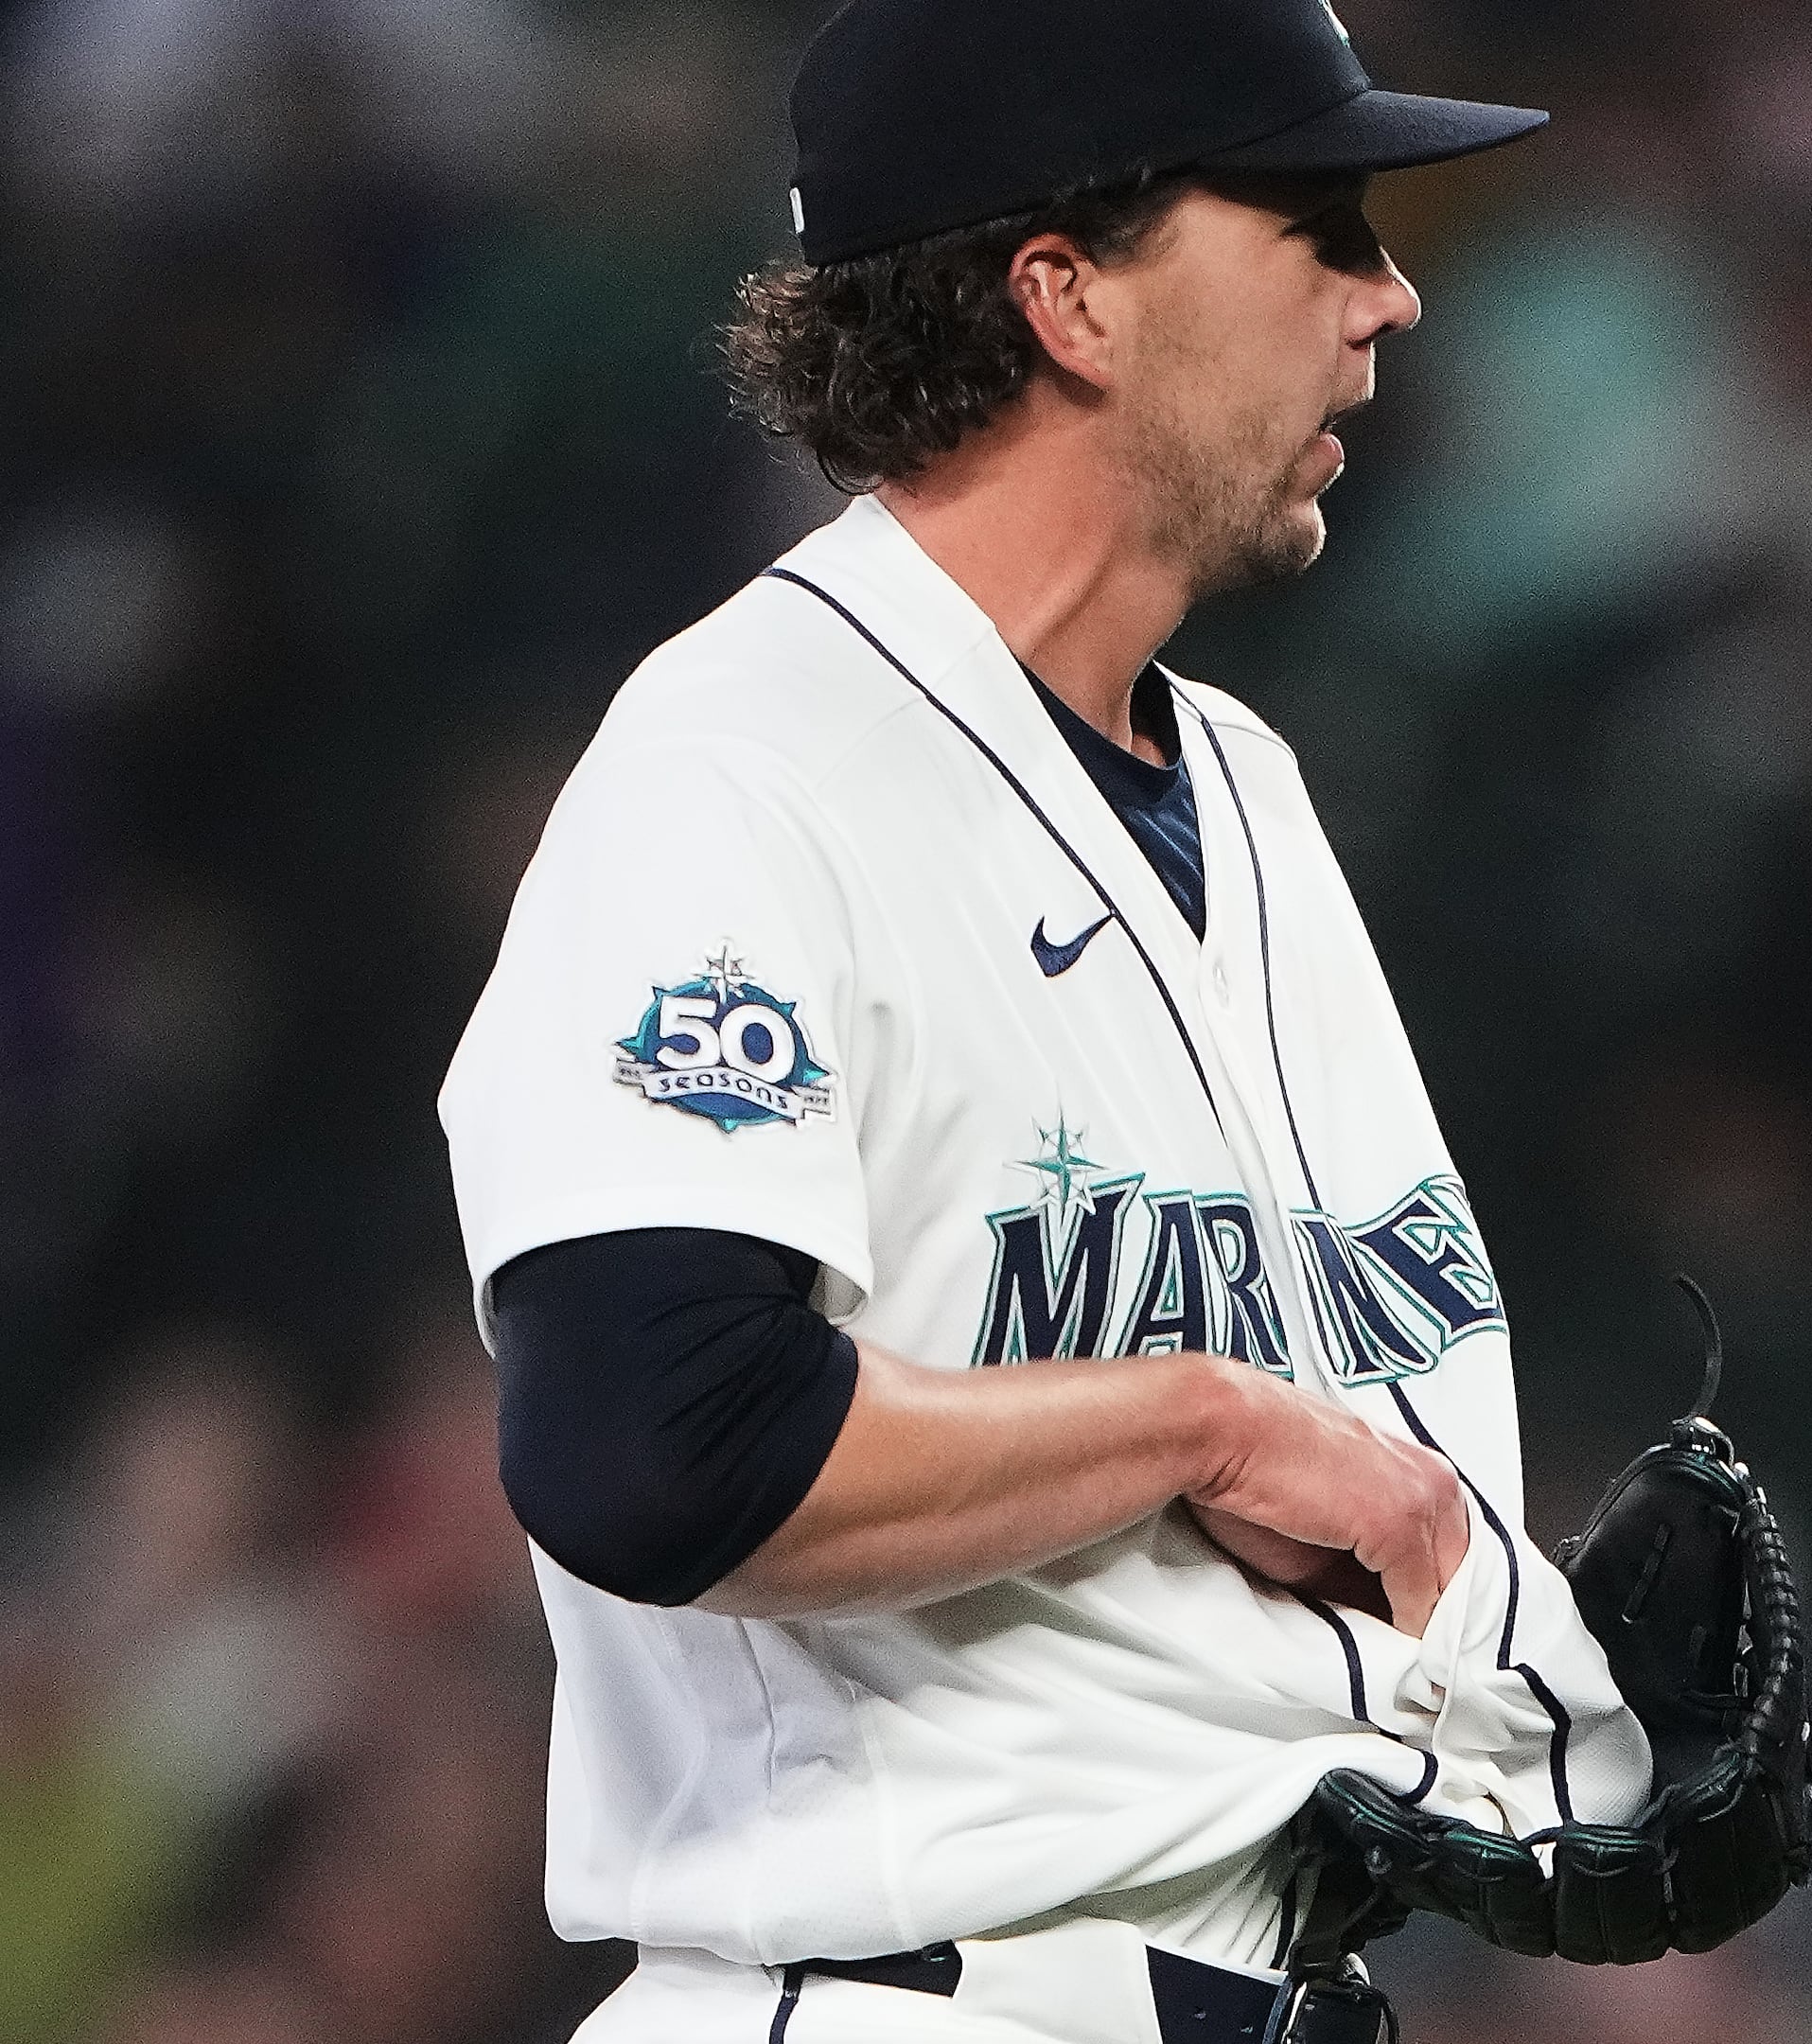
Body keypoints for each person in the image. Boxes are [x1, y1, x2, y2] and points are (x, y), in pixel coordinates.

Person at [433, 3, 1653, 2037]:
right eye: (1317, 222)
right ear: (1070, 297)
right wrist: (1199, 1421)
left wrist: (1576, 1699)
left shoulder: (1250, 787)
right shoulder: (742, 767)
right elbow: (661, 1447)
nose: (1390, 295)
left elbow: (1343, 1503)